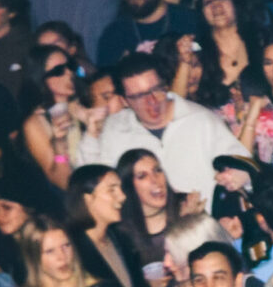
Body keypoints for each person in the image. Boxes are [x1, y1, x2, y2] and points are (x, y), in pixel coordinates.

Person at [78, 55, 244, 198]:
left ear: (165, 86)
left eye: (155, 90)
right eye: (140, 96)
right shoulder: (115, 129)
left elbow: (245, 166)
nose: (152, 101)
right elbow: (94, 182)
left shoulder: (202, 120)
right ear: (124, 101)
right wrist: (91, 135)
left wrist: (239, 175)